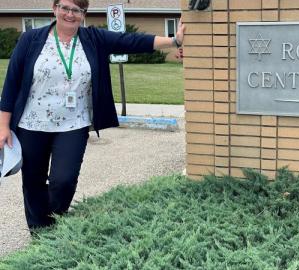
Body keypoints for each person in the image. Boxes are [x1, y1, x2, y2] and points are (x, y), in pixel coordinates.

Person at [0, 0, 185, 230]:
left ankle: (53, 222)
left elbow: (131, 41)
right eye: (65, 8)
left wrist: (174, 40)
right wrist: (3, 126)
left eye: (76, 10)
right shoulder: (31, 39)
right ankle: (40, 234)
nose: (70, 14)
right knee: (32, 182)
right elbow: (11, 83)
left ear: (83, 14)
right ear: (54, 9)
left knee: (64, 181)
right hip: (31, 124)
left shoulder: (92, 39)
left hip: (74, 124)